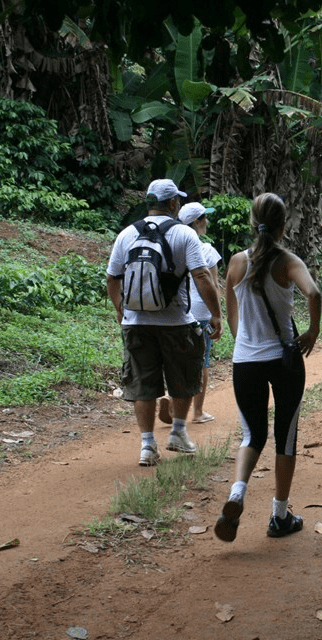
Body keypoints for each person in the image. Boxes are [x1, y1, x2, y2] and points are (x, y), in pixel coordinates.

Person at [215, 193, 322, 542]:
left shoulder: (235, 262)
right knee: (285, 436)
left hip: (246, 360)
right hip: (284, 359)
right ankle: (279, 515)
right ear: (282, 225)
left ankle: (237, 493)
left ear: (252, 222)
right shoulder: (288, 261)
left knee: (252, 434)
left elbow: (231, 307)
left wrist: (241, 339)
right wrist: (313, 330)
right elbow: (314, 294)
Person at [106, 179, 223, 467]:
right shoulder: (184, 234)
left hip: (136, 322)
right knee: (184, 377)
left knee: (143, 385)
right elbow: (201, 276)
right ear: (173, 203)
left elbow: (112, 277)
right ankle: (178, 433)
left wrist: (121, 309)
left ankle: (148, 446)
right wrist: (216, 313)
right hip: (176, 322)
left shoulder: (127, 234)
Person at [158, 203, 222, 425]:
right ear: (196, 222)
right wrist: (218, 313)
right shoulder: (206, 249)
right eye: (204, 218)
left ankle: (170, 397)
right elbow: (212, 284)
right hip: (202, 313)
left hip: (178, 311)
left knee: (178, 359)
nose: (207, 221)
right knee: (201, 362)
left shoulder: (174, 246)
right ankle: (198, 412)